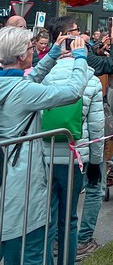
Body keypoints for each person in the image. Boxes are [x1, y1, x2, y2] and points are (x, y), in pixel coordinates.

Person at [0, 26, 90, 265]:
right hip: (22, 183)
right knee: (28, 253)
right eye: (31, 48)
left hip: (7, 178)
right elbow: (72, 92)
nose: (33, 51)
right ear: (21, 57)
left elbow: (29, 79)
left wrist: (51, 56)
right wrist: (80, 59)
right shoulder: (22, 92)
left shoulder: (8, 84)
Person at [42, 17, 104, 265]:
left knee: (47, 217)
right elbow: (97, 127)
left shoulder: (45, 75)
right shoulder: (90, 79)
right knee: (69, 219)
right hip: (76, 157)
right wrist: (96, 164)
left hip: (46, 156)